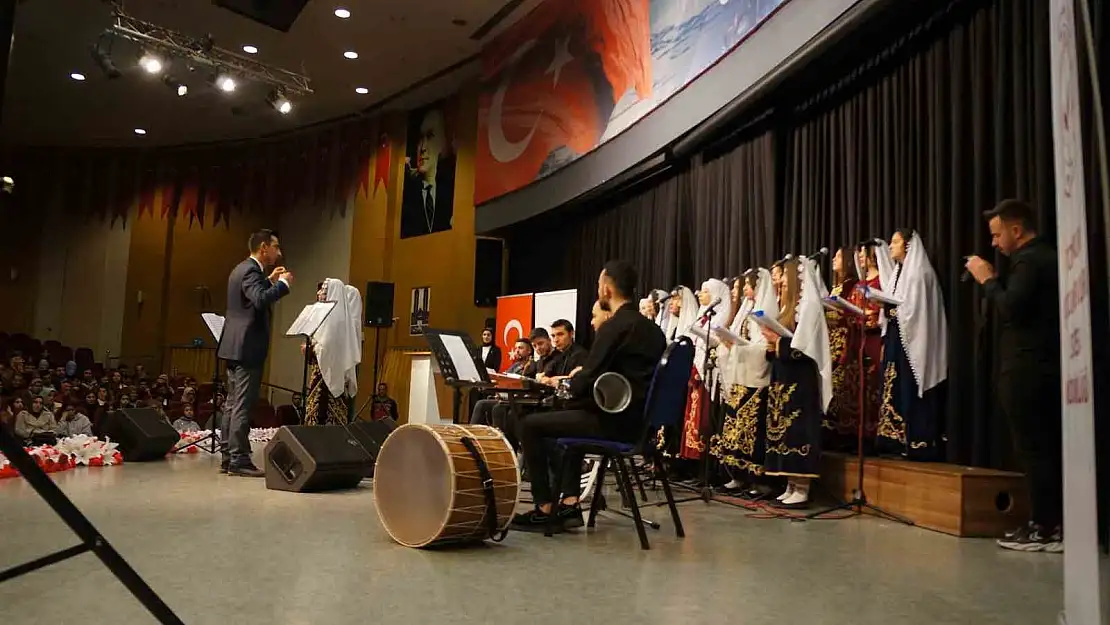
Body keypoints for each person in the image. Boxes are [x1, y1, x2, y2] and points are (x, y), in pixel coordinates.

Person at [512, 260, 667, 532]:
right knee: (569, 417)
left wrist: (569, 384)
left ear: (606, 289)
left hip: (612, 425)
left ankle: (544, 508)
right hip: (639, 424)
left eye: (598, 285)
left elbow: (586, 381)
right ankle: (570, 504)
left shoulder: (615, 327)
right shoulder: (654, 331)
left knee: (529, 425)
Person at [966, 199, 1062, 552]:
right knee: (1042, 448)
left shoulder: (1030, 261)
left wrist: (988, 279)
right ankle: (1050, 523)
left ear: (1016, 230)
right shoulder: (1044, 258)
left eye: (996, 234)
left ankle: (1044, 527)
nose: (993, 242)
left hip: (1029, 368)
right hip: (1041, 366)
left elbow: (1010, 308)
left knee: (1034, 449)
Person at [217, 228, 292, 477]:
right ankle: (239, 459)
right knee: (242, 404)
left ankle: (228, 456)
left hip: (234, 345)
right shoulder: (250, 270)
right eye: (276, 247)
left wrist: (269, 281)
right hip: (247, 347)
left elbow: (250, 297)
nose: (278, 253)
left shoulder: (241, 269)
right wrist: (281, 286)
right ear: (263, 248)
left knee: (231, 404)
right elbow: (259, 300)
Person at [760, 258, 831, 507]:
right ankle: (790, 482)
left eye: (783, 277)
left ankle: (802, 485)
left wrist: (778, 343)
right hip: (784, 375)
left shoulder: (810, 306)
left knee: (798, 428)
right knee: (784, 430)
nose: (779, 282)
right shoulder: (788, 307)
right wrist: (771, 343)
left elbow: (808, 348)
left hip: (801, 380)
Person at [876, 229, 948, 460]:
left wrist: (894, 309)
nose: (890, 246)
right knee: (893, 387)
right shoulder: (899, 272)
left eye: (895, 242)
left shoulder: (918, 273)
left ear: (907, 245)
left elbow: (916, 312)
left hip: (913, 341)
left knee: (910, 386)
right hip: (897, 338)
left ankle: (918, 442)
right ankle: (895, 441)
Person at [712, 268, 776, 486]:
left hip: (757, 376)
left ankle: (754, 478)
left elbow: (763, 346)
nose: (745, 290)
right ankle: (736, 474)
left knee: (752, 431)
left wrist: (738, 346)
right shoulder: (747, 308)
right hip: (742, 374)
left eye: (749, 286)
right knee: (736, 426)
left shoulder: (765, 309)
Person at [678, 278, 733, 461]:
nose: (701, 295)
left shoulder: (722, 315)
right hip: (697, 368)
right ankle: (692, 458)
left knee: (703, 416)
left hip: (711, 372)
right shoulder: (704, 315)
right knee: (693, 415)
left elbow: (717, 340)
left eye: (705, 291)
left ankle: (703, 459)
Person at [304, 278, 362, 426]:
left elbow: (328, 346)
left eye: (323, 290)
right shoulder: (332, 318)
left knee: (324, 415)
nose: (319, 293)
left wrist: (311, 348)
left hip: (327, 376)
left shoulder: (337, 320)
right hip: (322, 372)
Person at [822, 246, 862, 450]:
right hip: (832, 340)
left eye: (838, 257)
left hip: (843, 340)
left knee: (840, 384)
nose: (834, 260)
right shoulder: (836, 286)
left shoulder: (851, 285)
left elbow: (850, 313)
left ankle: (839, 432)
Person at [401, 107, 455, 237]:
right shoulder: (407, 193)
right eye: (420, 138)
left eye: (430, 136)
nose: (423, 147)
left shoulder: (451, 191)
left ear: (443, 142)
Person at [537, 319, 589, 387]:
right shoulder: (556, 355)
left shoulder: (580, 355)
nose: (556, 340)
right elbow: (544, 376)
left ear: (571, 334)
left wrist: (553, 380)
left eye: (560, 334)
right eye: (553, 336)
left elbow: (577, 382)